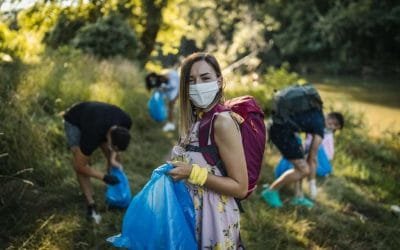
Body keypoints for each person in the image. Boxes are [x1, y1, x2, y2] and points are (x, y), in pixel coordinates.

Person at [167, 52, 248, 249]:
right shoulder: (196, 118)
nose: (198, 86)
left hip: (213, 219)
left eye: (205, 78)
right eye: (191, 80)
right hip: (193, 212)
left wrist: (191, 172)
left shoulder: (222, 122)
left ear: (219, 81)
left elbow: (240, 187)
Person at [263, 85, 344, 208]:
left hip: (281, 126)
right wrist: (312, 182)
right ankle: (271, 191)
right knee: (303, 169)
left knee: (300, 160)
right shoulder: (320, 128)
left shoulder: (317, 113)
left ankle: (298, 197)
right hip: (281, 132)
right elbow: (312, 157)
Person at [63, 101, 132, 221]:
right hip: (75, 120)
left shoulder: (126, 121)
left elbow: (114, 149)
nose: (115, 150)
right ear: (109, 138)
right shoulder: (92, 134)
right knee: (83, 163)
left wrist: (112, 158)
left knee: (115, 158)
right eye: (113, 147)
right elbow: (79, 166)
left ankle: (114, 195)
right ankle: (91, 205)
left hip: (99, 117)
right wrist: (104, 177)